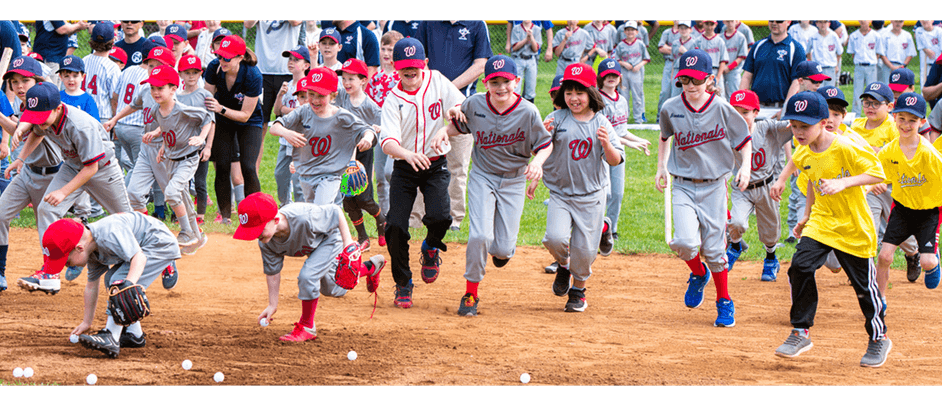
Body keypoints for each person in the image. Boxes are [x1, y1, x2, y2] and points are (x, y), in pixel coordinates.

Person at [428, 55, 552, 316]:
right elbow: (460, 125)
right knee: (479, 236)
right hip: (483, 176)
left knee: (502, 248)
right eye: (494, 82)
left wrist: (538, 163)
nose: (501, 88)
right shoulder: (475, 104)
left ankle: (503, 250)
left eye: (506, 81)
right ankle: (471, 293)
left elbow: (545, 143)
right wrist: (443, 130)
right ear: (486, 83)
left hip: (514, 179)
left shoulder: (528, 111)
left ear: (516, 82)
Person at [774, 91, 890, 368]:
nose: (799, 131)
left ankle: (878, 337)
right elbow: (813, 180)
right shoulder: (803, 151)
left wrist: (845, 182)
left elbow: (878, 174)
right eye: (794, 125)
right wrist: (805, 215)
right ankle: (801, 330)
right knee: (799, 267)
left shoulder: (845, 146)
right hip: (822, 221)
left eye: (805, 126)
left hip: (853, 226)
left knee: (864, 288)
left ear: (824, 123)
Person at [656, 50, 752, 327]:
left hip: (714, 186)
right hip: (683, 185)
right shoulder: (671, 107)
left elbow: (744, 138)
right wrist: (661, 166)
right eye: (685, 80)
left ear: (710, 79)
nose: (690, 86)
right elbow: (665, 135)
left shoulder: (721, 107)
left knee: (714, 251)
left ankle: (724, 300)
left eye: (696, 81)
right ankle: (698, 274)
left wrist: (744, 167)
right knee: (685, 243)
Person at [11, 83, 133, 292]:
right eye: (35, 116)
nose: (39, 121)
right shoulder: (46, 116)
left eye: (43, 116)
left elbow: (91, 167)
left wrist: (63, 191)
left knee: (126, 218)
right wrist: (21, 158)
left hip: (102, 169)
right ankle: (50, 272)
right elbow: (37, 131)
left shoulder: (79, 125)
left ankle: (162, 259)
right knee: (46, 209)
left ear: (58, 108)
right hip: (73, 166)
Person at [379, 38, 464, 309]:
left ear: (424, 64)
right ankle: (403, 283)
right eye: (405, 68)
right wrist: (406, 154)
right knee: (394, 226)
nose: (411, 73)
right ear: (395, 67)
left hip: (435, 163)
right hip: (405, 167)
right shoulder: (393, 99)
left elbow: (462, 106)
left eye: (416, 67)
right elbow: (388, 142)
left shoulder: (437, 80)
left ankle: (430, 246)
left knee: (440, 217)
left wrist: (454, 112)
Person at [233, 192, 384, 342]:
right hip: (315, 247)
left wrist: (348, 243)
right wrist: (272, 304)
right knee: (334, 288)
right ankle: (371, 267)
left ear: (276, 220)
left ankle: (307, 327)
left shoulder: (303, 217)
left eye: (258, 229)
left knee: (308, 277)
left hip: (330, 239)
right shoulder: (267, 242)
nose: (255, 235)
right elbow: (273, 271)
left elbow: (335, 211)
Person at [541, 62, 624, 312]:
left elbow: (615, 159)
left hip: (591, 195)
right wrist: (544, 137)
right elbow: (541, 149)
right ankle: (564, 264)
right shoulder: (555, 119)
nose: (574, 98)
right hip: (561, 193)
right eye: (568, 92)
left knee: (586, 251)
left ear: (591, 93)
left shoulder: (601, 122)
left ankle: (578, 290)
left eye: (580, 92)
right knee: (555, 238)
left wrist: (606, 144)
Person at [38, 214, 177, 358]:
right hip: (145, 245)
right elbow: (91, 285)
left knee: (119, 280)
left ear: (79, 248)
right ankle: (134, 335)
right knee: (111, 278)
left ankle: (111, 335)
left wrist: (127, 285)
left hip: (160, 244)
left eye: (67, 262)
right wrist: (87, 322)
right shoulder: (91, 249)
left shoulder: (109, 234)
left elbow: (139, 258)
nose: (67, 266)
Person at [416, 20, 492, 231]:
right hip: (429, 100)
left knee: (457, 163)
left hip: (462, 102)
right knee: (422, 157)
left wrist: (447, 87)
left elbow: (481, 64)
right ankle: (418, 217)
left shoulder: (476, 23)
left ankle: (454, 218)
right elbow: (420, 61)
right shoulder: (428, 22)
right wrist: (435, 87)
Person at [270, 66, 375, 206]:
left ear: (333, 96)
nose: (315, 100)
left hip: (330, 175)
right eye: (311, 93)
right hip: (307, 174)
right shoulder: (303, 111)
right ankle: (337, 227)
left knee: (320, 210)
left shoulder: (341, 116)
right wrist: (286, 133)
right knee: (320, 215)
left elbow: (366, 129)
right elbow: (275, 127)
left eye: (321, 96)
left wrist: (367, 138)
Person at [0, 56, 61, 293]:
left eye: (25, 80)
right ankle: (0, 271)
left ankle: (51, 273)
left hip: (51, 176)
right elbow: (18, 129)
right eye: (14, 82)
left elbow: (32, 131)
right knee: (1, 214)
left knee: (46, 228)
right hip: (27, 174)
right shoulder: (24, 106)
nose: (19, 86)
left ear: (37, 80)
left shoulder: (45, 103)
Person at [875, 93, 942, 295]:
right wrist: (872, 185)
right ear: (894, 117)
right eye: (901, 118)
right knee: (884, 257)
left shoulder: (929, 154)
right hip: (902, 209)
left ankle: (933, 264)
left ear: (922, 122)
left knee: (927, 261)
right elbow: (877, 176)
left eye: (912, 120)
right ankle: (880, 300)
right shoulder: (888, 151)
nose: (905, 124)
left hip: (928, 212)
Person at [852, 81, 921, 271]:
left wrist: (877, 150)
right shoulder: (856, 126)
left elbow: (903, 152)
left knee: (899, 231)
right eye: (867, 102)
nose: (870, 107)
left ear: (890, 107)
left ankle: (913, 253)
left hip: (892, 187)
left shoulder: (894, 126)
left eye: (876, 103)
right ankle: (867, 270)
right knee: (869, 227)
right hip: (868, 186)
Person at [142, 66, 211, 252]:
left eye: (160, 88)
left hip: (188, 159)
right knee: (184, 200)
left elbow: (208, 119)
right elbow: (168, 128)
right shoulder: (157, 110)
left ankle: (186, 231)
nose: (155, 92)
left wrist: (201, 139)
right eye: (152, 88)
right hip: (172, 159)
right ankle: (198, 238)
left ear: (173, 89)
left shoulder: (182, 109)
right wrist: (162, 144)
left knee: (171, 193)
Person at [725, 90, 792, 282]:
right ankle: (736, 245)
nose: (740, 117)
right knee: (736, 222)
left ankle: (771, 258)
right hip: (741, 187)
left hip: (766, 186)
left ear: (756, 112)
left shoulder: (767, 128)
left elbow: (791, 127)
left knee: (770, 230)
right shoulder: (728, 133)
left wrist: (794, 120)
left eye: (745, 112)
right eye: (735, 112)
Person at [202, 35, 264, 224]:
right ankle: (225, 217)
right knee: (222, 165)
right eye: (220, 56)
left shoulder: (253, 75)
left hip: (249, 121)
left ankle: (254, 215)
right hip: (222, 119)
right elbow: (206, 96)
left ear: (240, 57)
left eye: (227, 58)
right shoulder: (214, 67)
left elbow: (245, 115)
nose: (222, 61)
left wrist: (220, 108)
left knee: (248, 167)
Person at [334, 59, 386, 251]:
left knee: (363, 197)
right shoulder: (340, 96)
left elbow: (382, 125)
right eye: (344, 79)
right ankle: (363, 236)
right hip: (343, 154)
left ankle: (381, 219)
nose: (346, 83)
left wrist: (375, 131)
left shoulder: (370, 106)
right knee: (348, 200)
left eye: (351, 79)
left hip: (362, 155)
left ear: (363, 80)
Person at [243, 20, 303, 176]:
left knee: (294, 124)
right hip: (263, 72)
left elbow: (295, 21)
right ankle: (253, 174)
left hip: (287, 72)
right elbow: (248, 24)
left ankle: (296, 171)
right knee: (259, 125)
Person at [175, 55, 216, 228]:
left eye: (195, 72)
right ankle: (181, 214)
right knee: (180, 183)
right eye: (187, 72)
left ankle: (199, 215)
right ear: (180, 74)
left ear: (201, 73)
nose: (191, 76)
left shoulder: (205, 95)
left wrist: (208, 146)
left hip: (199, 146)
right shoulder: (177, 96)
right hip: (181, 147)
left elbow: (211, 121)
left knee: (199, 181)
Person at [365, 31, 403, 216]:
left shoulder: (402, 77)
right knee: (380, 176)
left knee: (392, 173)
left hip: (398, 132)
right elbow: (369, 107)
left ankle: (402, 210)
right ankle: (386, 216)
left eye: (391, 49)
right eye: (383, 49)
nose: (387, 53)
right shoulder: (375, 78)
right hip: (380, 132)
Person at [272, 45, 310, 208]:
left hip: (302, 138)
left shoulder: (308, 84)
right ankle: (286, 205)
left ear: (306, 65)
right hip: (286, 138)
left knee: (298, 180)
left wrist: (285, 110)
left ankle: (302, 210)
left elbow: (304, 110)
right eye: (290, 59)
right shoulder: (286, 84)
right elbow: (276, 111)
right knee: (280, 174)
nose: (292, 62)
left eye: (296, 60)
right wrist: (280, 95)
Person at [741, 20, 806, 109]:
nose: (774, 23)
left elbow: (797, 82)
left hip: (780, 107)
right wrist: (742, 101)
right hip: (756, 106)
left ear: (788, 21)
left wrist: (786, 107)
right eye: (771, 20)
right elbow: (747, 76)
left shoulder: (796, 48)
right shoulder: (758, 46)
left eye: (779, 20)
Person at [83, 23, 121, 125]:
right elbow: (114, 99)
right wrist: (115, 119)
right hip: (102, 115)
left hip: (81, 112)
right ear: (113, 40)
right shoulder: (112, 67)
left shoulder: (83, 61)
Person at [614, 21, 649, 124]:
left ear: (637, 32)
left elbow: (646, 58)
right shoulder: (621, 45)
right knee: (623, 95)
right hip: (624, 71)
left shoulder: (640, 44)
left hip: (636, 72)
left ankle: (638, 119)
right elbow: (617, 59)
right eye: (628, 30)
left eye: (632, 30)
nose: (630, 32)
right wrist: (624, 64)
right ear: (624, 31)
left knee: (637, 95)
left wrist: (639, 65)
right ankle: (624, 117)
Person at [847, 21, 883, 115]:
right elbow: (852, 53)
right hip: (859, 66)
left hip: (871, 66)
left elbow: (878, 52)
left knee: (872, 92)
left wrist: (872, 61)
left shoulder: (876, 36)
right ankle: (856, 116)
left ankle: (873, 113)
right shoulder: (854, 36)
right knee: (857, 92)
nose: (864, 21)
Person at [691, 20, 729, 98]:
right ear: (703, 24)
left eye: (711, 24)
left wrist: (718, 77)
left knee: (720, 97)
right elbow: (694, 60)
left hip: (716, 71)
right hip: (702, 72)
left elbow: (723, 61)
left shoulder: (720, 41)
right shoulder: (698, 41)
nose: (709, 27)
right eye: (707, 24)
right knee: (702, 96)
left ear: (715, 25)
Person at [509, 20, 542, 104]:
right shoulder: (516, 28)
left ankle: (528, 111)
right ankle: (514, 109)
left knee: (530, 89)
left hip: (531, 59)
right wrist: (525, 39)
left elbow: (536, 49)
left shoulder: (536, 29)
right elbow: (514, 47)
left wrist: (531, 38)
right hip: (518, 58)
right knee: (516, 88)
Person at [878, 20, 916, 86]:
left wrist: (903, 65)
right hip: (887, 66)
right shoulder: (885, 36)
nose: (898, 23)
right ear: (891, 21)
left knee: (900, 87)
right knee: (887, 87)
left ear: (903, 22)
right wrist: (891, 66)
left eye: (900, 21)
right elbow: (882, 54)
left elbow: (910, 53)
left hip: (902, 66)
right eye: (896, 21)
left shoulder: (907, 35)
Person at [807, 20, 843, 88]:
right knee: (818, 89)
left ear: (829, 24)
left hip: (830, 67)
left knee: (830, 90)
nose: (823, 24)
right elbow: (808, 52)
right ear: (816, 24)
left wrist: (836, 65)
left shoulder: (833, 36)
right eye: (820, 22)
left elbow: (839, 52)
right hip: (818, 69)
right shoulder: (813, 37)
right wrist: (812, 62)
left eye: (825, 22)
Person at [656, 21, 681, 115]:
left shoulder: (686, 31)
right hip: (669, 63)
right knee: (665, 91)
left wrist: (669, 47)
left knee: (678, 91)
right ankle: (660, 115)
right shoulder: (667, 32)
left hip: (681, 64)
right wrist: (675, 49)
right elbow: (661, 48)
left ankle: (676, 115)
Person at [721, 20, 749, 99]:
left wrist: (729, 67)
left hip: (734, 71)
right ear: (724, 22)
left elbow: (742, 56)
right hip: (721, 71)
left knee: (735, 96)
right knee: (722, 96)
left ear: (736, 21)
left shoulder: (741, 37)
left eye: (732, 21)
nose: (730, 23)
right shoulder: (720, 37)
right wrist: (722, 68)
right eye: (728, 21)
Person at [668, 21, 695, 98]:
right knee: (675, 94)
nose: (683, 30)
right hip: (677, 70)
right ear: (678, 29)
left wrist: (686, 52)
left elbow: (695, 59)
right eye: (681, 28)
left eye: (686, 28)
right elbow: (673, 59)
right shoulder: (675, 43)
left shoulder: (694, 43)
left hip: (689, 70)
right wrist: (672, 75)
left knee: (687, 94)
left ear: (690, 29)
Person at [915, 20, 942, 87]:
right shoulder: (919, 31)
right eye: (922, 19)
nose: (925, 21)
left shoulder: (939, 31)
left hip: (938, 60)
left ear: (932, 20)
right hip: (926, 60)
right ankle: (923, 95)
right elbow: (920, 45)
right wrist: (926, 50)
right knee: (924, 78)